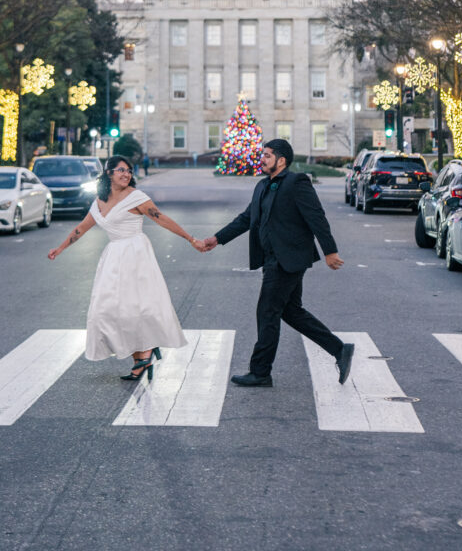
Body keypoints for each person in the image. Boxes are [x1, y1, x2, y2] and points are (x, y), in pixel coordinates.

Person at [197, 139, 354, 388]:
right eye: (263, 155)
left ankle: (260, 371)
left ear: (281, 160)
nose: (262, 159)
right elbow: (246, 218)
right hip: (271, 258)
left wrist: (330, 251)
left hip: (288, 258)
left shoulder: (296, 182)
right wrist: (216, 239)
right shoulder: (261, 186)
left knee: (267, 312)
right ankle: (339, 349)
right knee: (291, 311)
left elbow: (316, 217)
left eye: (267, 155)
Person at [48, 154, 201, 381]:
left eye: (129, 170)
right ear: (108, 173)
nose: (126, 174)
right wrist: (60, 248)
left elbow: (162, 219)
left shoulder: (136, 197)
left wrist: (191, 239)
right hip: (113, 256)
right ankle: (141, 354)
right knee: (107, 310)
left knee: (138, 307)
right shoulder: (99, 201)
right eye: (121, 170)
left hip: (136, 254)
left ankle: (143, 355)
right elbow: (82, 228)